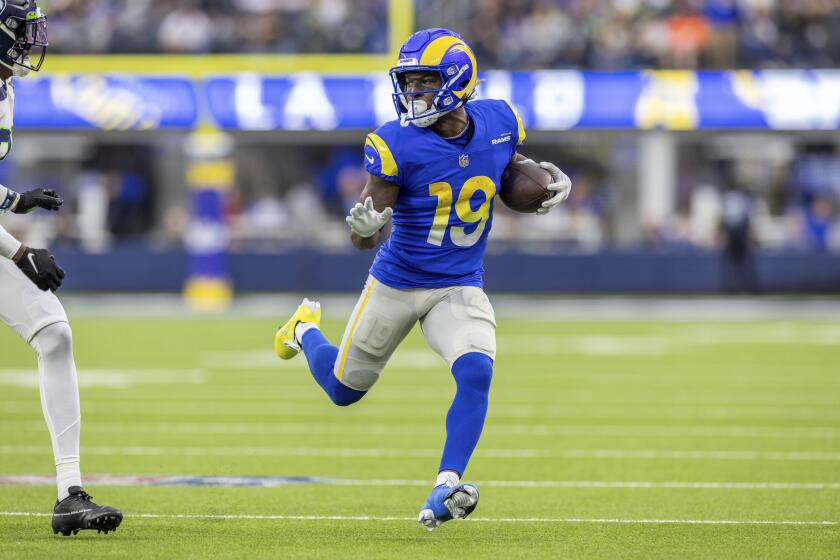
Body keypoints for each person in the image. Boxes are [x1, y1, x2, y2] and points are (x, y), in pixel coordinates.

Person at [274, 28, 571, 531]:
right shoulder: (395, 143)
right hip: (398, 280)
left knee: (476, 370)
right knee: (344, 391)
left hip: (458, 284)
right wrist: (365, 232)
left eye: (424, 82)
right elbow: (367, 231)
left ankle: (446, 484)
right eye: (408, 83)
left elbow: (511, 172)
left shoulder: (500, 121)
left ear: (458, 80)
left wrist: (540, 187)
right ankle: (303, 330)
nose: (413, 93)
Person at [0, 0, 122, 536]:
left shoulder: (3, 88)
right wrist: (18, 251)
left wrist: (14, 201)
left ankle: (69, 494)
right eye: (26, 31)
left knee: (55, 336)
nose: (34, 41)